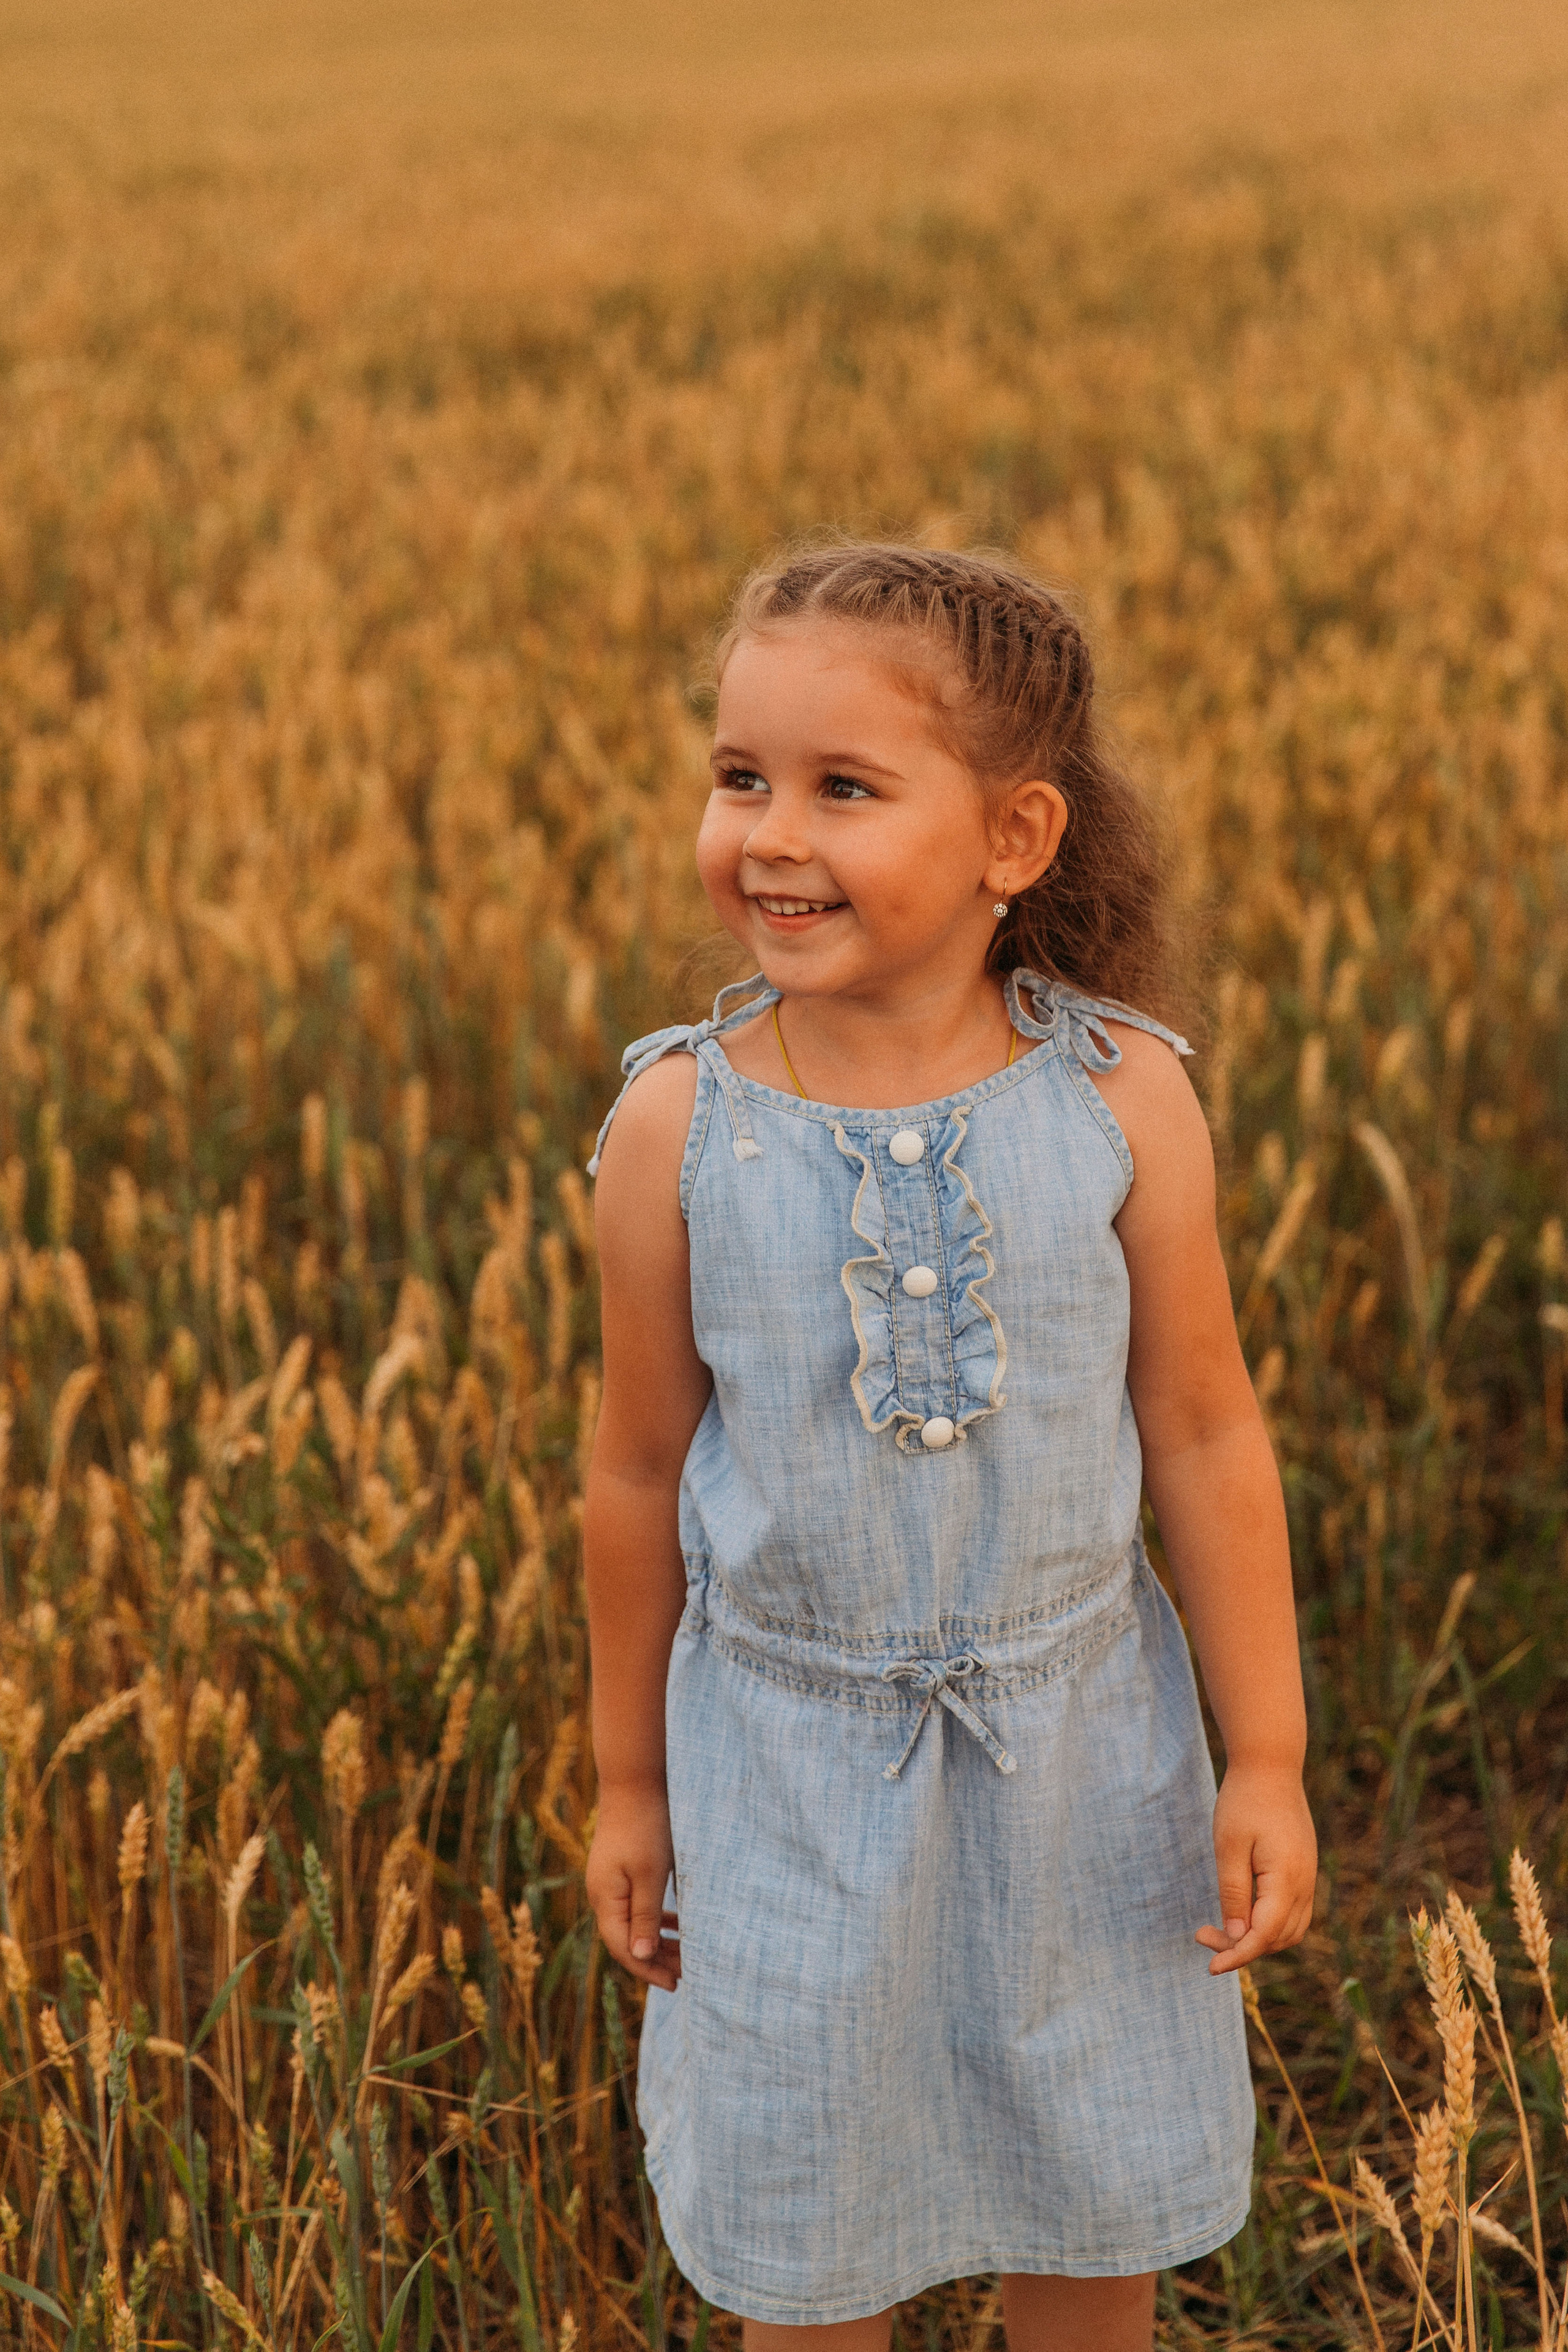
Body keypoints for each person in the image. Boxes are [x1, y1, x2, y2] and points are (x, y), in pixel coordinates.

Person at [582, 542, 1316, 2352]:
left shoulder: (1124, 1096)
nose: (769, 831)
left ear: (1015, 840)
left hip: (1084, 1770)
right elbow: (633, 1471)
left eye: (844, 788)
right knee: (810, 2232)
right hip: (786, 1776)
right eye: (740, 775)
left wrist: (1270, 1755)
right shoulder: (679, 1123)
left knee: (1089, 2190)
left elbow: (1209, 1430)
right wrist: (628, 1786)